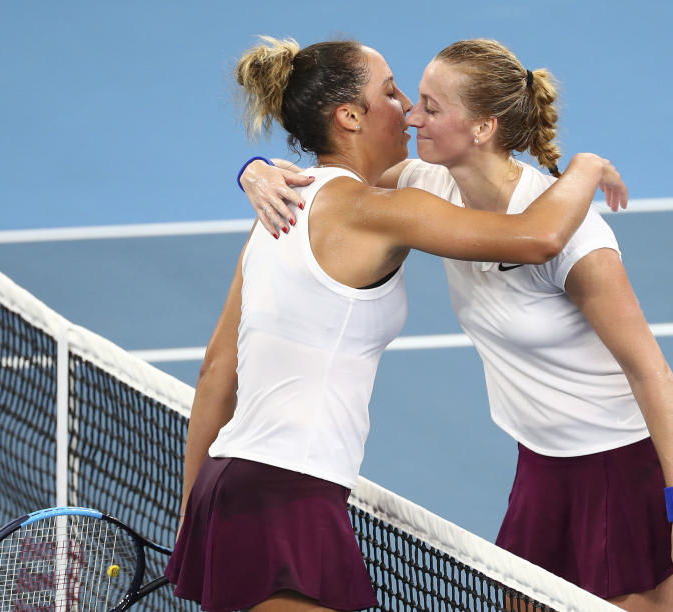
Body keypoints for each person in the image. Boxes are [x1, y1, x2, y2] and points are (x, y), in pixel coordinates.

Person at [241, 39, 673, 612]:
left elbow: (651, 372)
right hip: (542, 466)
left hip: (625, 469)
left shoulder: (576, 237)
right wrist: (251, 171)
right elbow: (328, 183)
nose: (410, 114)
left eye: (430, 106)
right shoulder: (427, 184)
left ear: (482, 127)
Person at [164, 35, 627, 612]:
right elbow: (537, 237)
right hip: (290, 499)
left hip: (225, 483)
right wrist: (584, 166)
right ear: (350, 116)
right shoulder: (374, 213)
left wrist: (194, 518)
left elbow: (215, 371)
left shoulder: (277, 212)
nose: (407, 111)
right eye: (390, 93)